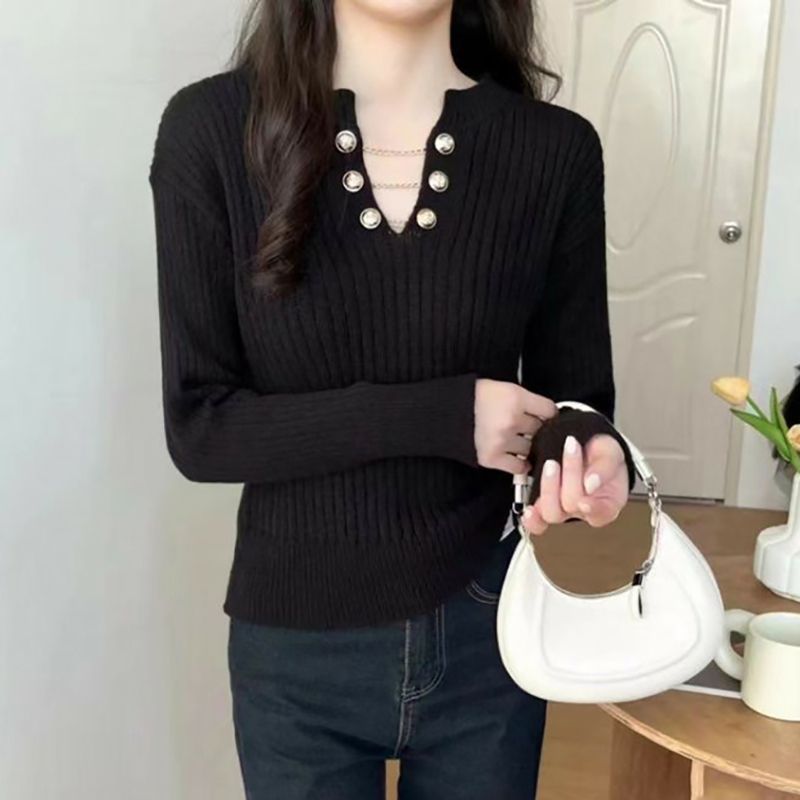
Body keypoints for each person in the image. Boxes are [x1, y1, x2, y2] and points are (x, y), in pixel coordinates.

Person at [148, 1, 636, 797]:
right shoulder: (210, 130)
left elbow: (575, 403)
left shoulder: (556, 149)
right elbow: (201, 429)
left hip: (491, 627)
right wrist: (444, 415)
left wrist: (594, 458)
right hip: (295, 642)